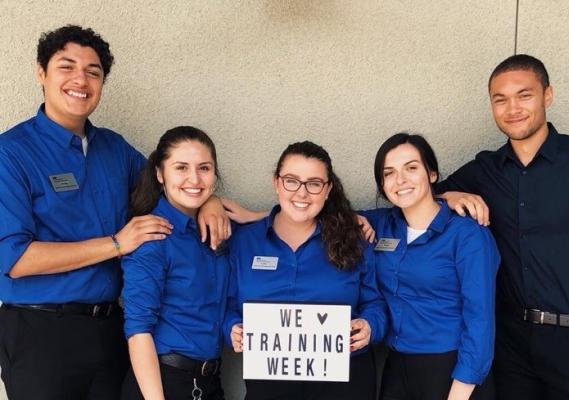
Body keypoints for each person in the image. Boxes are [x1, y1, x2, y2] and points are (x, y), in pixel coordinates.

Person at [0, 25, 173, 399]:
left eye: (93, 72)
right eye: (66, 66)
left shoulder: (113, 148)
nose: (81, 79)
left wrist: (208, 203)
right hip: (41, 333)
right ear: (41, 73)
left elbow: (170, 185)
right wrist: (116, 244)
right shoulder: (10, 154)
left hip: (109, 330)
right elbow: (15, 259)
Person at [436, 54, 569, 400]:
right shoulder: (485, 169)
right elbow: (419, 197)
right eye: (500, 99)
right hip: (509, 343)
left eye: (524, 95)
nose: (513, 108)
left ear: (548, 95)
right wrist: (448, 195)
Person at [225, 141, 387, 400]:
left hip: (346, 382)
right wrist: (232, 327)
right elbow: (228, 305)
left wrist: (369, 326)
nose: (302, 193)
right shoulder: (244, 242)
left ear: (327, 189)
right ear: (276, 183)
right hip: (270, 383)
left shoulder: (353, 239)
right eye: (291, 180)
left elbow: (375, 303)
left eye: (314, 183)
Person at [363, 133, 499, 400]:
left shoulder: (467, 235)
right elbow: (315, 214)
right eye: (388, 173)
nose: (400, 180)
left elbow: (480, 318)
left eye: (411, 168)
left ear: (432, 173)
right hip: (396, 366)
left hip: (452, 369)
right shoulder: (380, 224)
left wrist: (462, 388)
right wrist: (260, 217)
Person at [120, 126, 228, 400]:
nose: (194, 178)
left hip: (209, 381)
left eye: (204, 168)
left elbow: (280, 220)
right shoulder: (154, 235)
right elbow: (138, 329)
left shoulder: (217, 227)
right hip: (165, 382)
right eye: (181, 167)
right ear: (160, 173)